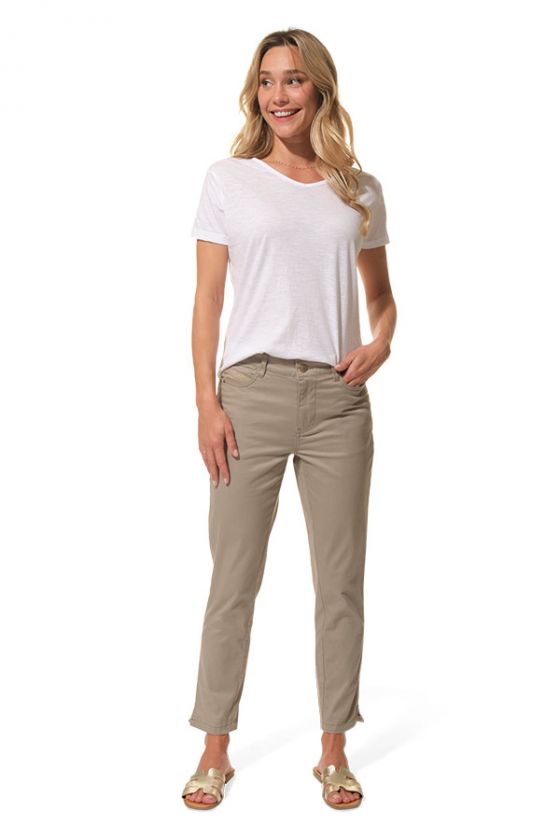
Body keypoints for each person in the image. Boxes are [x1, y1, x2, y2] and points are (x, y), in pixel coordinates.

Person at [182, 27, 397, 811]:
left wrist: (382, 341)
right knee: (233, 579)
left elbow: (381, 296)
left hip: (339, 401)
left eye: (294, 80)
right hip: (251, 394)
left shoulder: (358, 189)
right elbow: (208, 300)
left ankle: (334, 749)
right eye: (268, 80)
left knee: (340, 583)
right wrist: (207, 402)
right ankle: (215, 747)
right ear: (255, 93)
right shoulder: (229, 180)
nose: (279, 94)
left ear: (319, 90)